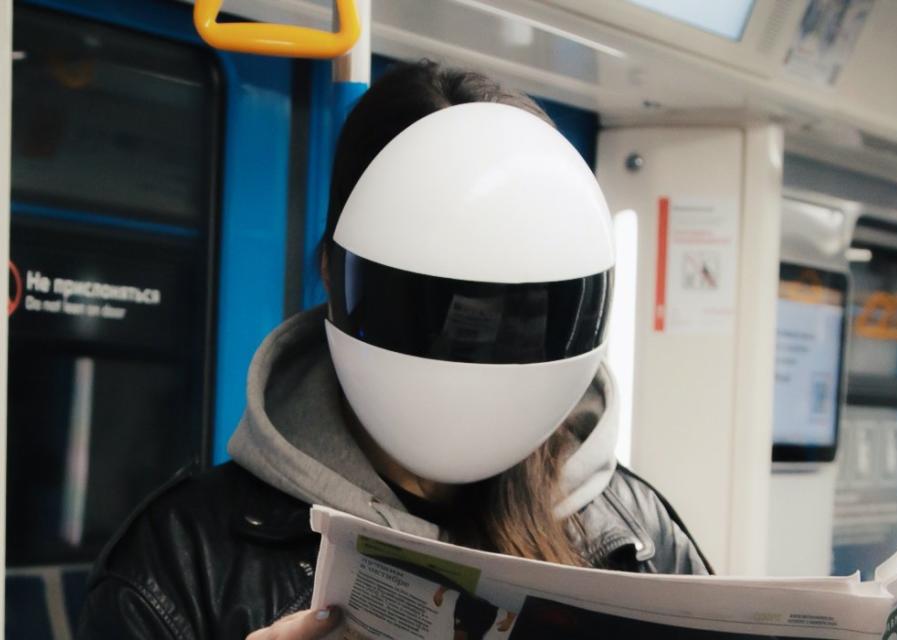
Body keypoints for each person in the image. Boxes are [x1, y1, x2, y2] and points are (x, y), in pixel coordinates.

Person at [77, 60, 710, 640]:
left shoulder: (635, 536)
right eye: (437, 300)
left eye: (519, 306)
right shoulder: (181, 564)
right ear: (334, 272)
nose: (478, 341)